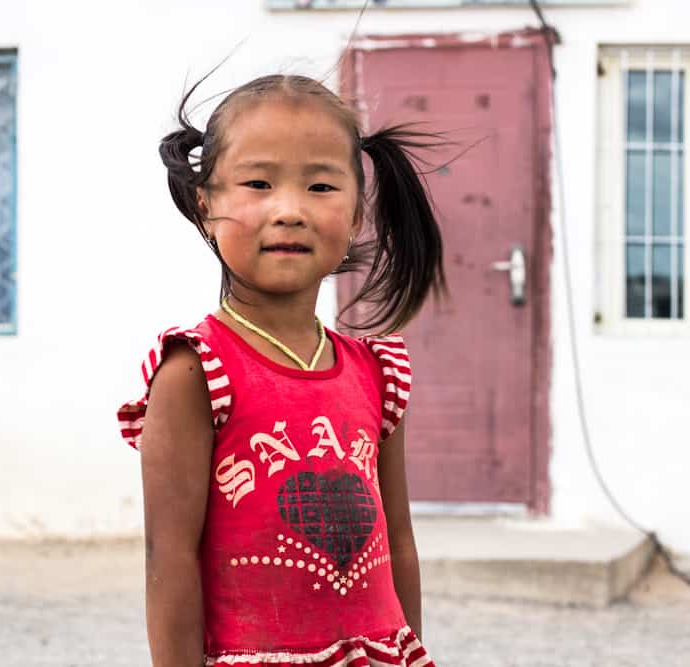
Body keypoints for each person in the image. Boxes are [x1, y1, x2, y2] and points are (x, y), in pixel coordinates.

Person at [117, 73, 444, 667]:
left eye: (321, 185)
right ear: (205, 204)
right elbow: (169, 558)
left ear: (354, 216)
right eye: (258, 183)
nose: (289, 210)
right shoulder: (196, 372)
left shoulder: (376, 371)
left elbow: (398, 541)